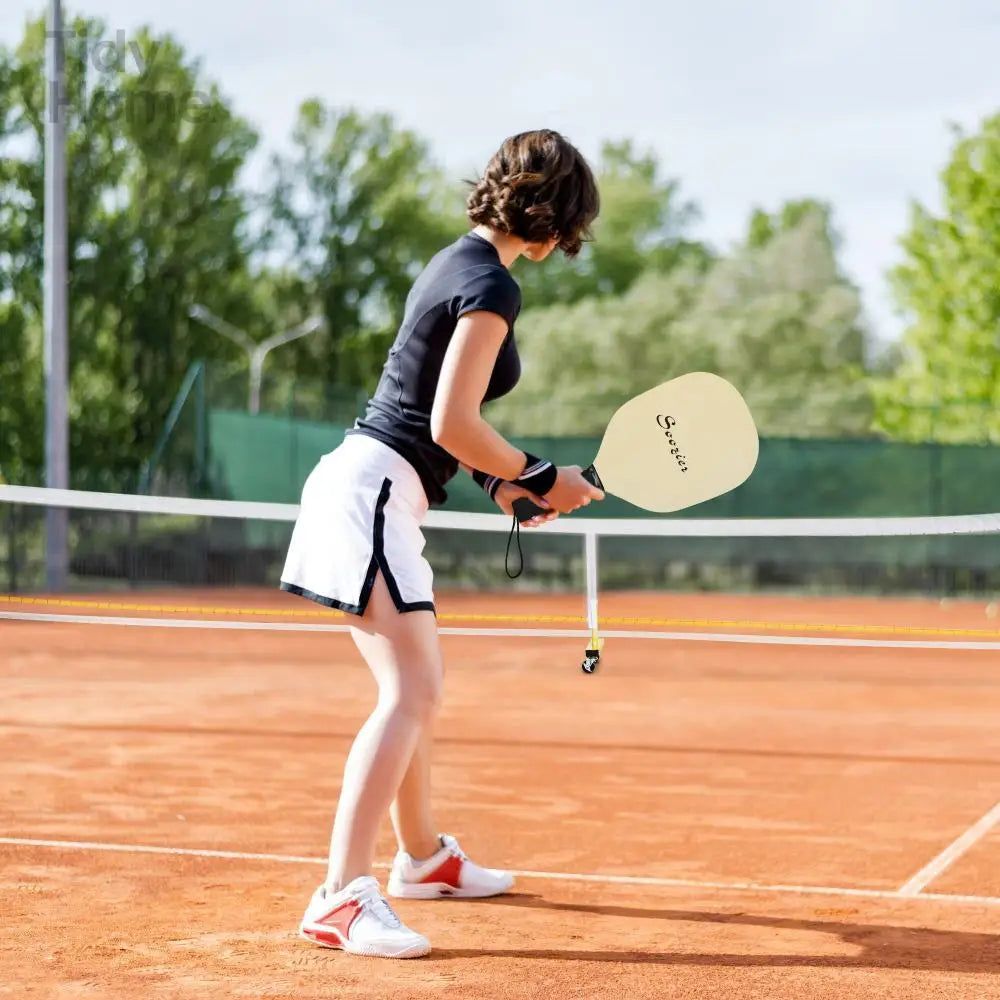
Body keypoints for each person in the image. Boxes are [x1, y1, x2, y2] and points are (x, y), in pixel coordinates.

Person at [279, 128, 604, 959]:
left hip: (379, 488)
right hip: (374, 491)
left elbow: (440, 419)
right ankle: (339, 898)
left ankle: (422, 860)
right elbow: (451, 420)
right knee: (414, 690)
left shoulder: (456, 262)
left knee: (411, 685)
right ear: (557, 219)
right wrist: (537, 468)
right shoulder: (491, 282)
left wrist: (506, 486)